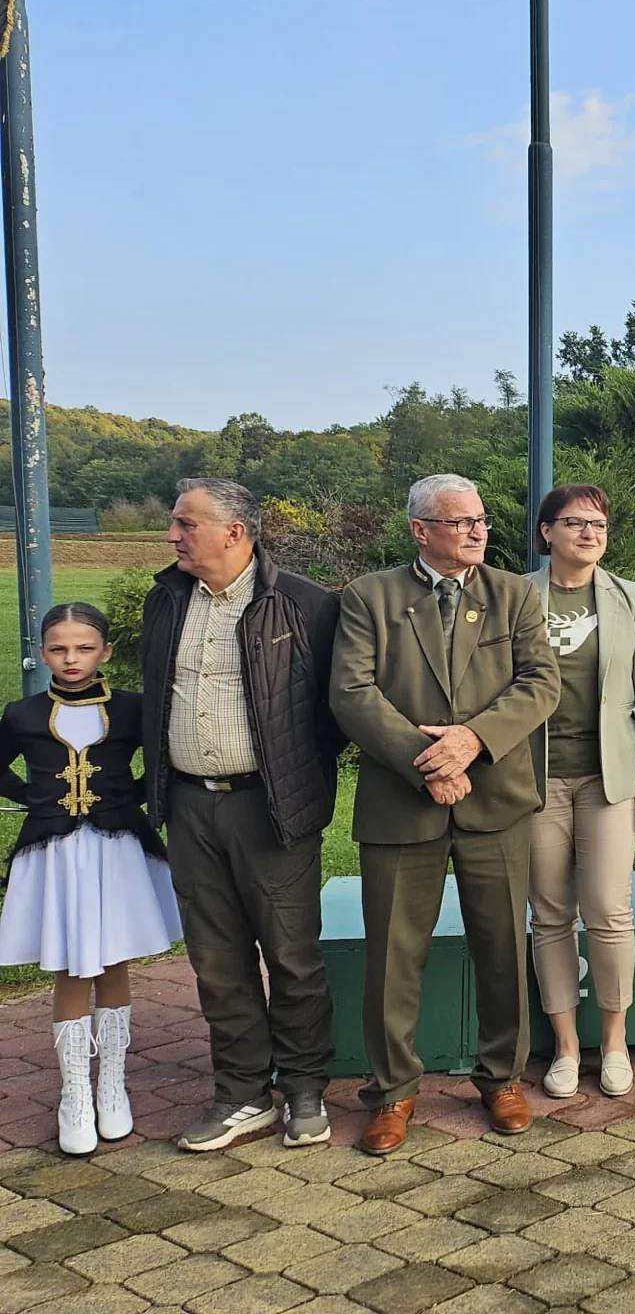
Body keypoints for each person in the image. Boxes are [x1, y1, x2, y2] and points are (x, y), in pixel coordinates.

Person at [331, 474, 561, 1154]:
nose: (477, 531)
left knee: (502, 947)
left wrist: (472, 742)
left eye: (480, 520)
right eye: (460, 522)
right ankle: (392, 1091)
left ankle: (501, 1078)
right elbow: (352, 693)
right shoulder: (369, 596)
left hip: (496, 799)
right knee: (394, 955)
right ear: (420, 530)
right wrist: (428, 761)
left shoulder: (515, 593)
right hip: (403, 802)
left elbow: (540, 683)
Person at [143, 477, 342, 1153]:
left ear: (234, 532)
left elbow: (335, 712)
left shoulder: (306, 604)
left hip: (273, 808)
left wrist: (293, 777)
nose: (172, 535)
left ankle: (306, 1089)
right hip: (189, 806)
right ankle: (241, 1093)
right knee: (216, 960)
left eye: (185, 523)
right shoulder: (167, 598)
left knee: (292, 955)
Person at [0, 606, 180, 1156]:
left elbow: (166, 761)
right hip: (55, 854)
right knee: (71, 965)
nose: (71, 659)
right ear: (42, 652)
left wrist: (132, 798)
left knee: (114, 959)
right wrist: (33, 796)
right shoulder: (23, 714)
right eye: (58, 649)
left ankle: (112, 1084)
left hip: (116, 849)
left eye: (83, 648)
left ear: (105, 651)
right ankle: (75, 1092)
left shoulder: (131, 709)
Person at [526, 484, 635, 1099]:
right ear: (546, 532)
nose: (590, 534)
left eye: (600, 525)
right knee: (550, 914)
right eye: (575, 523)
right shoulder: (516, 595)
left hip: (608, 780)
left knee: (609, 910)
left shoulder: (628, 597)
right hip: (535, 779)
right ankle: (564, 1048)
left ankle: (614, 1042)